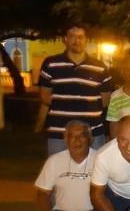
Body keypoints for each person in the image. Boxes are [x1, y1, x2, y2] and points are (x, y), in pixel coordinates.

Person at [36, 23, 113, 154]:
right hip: (59, 132)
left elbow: (105, 100)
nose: (77, 41)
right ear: (65, 39)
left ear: (86, 40)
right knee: (58, 167)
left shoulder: (100, 67)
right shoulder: (51, 64)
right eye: (72, 36)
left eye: (80, 37)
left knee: (94, 167)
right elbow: (45, 96)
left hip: (92, 132)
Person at [34, 122, 100, 211]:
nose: (77, 140)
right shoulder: (54, 160)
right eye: (72, 136)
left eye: (82, 135)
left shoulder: (101, 159)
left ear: (90, 138)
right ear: (65, 139)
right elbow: (42, 193)